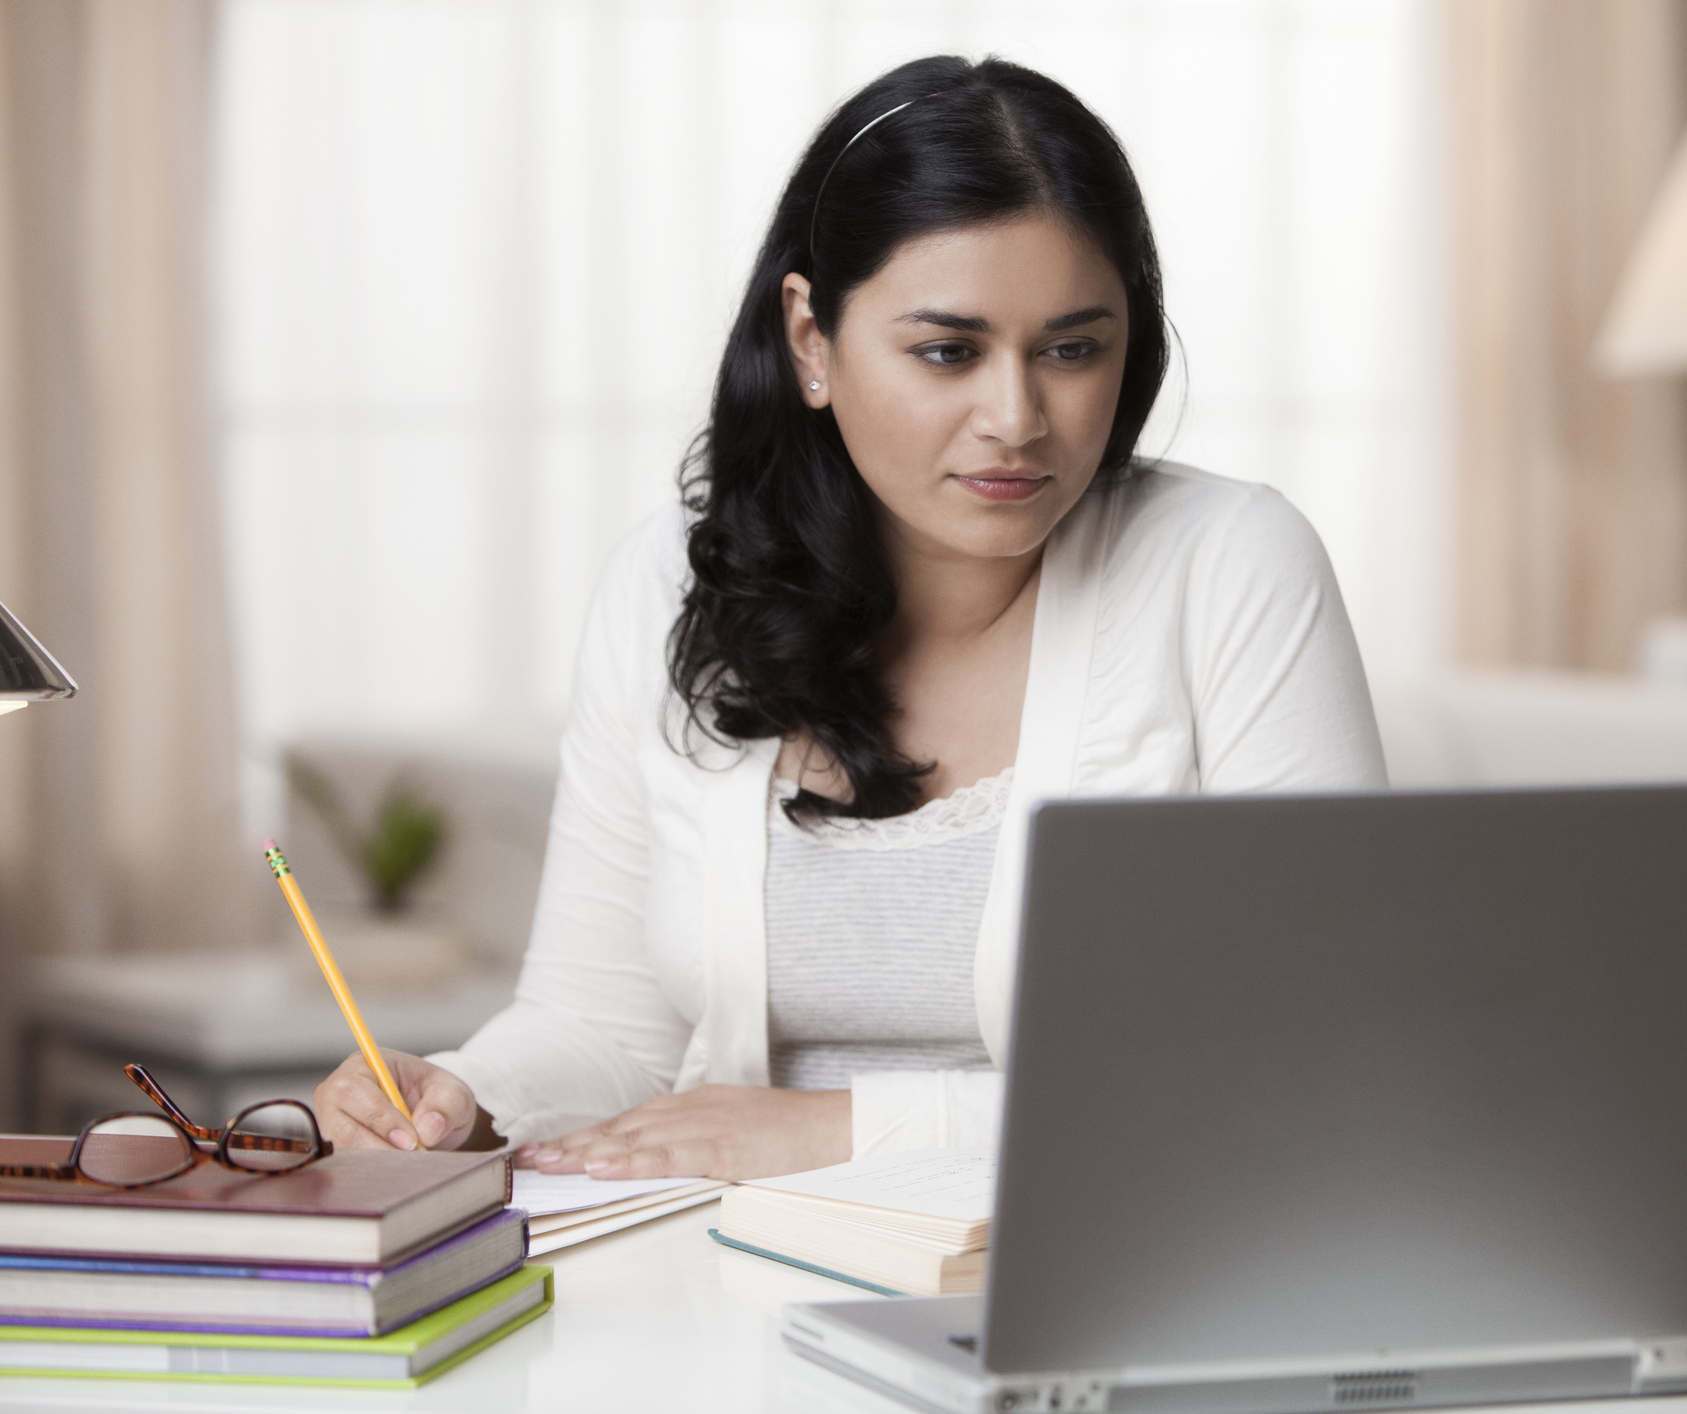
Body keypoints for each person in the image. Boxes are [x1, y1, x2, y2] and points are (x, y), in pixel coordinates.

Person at [311, 54, 1387, 1179]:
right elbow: (601, 1027)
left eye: (1074, 349)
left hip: (1092, 1285)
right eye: (946, 351)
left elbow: (1322, 1054)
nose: (1016, 418)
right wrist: (460, 1098)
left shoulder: (1231, 568)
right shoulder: (670, 587)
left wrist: (841, 1133)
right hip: (723, 1285)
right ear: (812, 341)